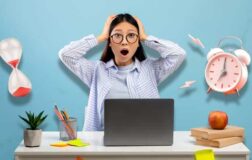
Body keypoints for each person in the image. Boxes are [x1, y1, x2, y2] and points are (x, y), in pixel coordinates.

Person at [59, 13, 186, 131]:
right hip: (102, 146)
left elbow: (178, 54)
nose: (124, 42)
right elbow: (66, 55)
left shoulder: (151, 69)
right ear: (110, 42)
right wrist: (102, 37)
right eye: (117, 36)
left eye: (131, 35)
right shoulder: (96, 71)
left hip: (145, 142)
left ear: (137, 43)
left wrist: (145, 37)